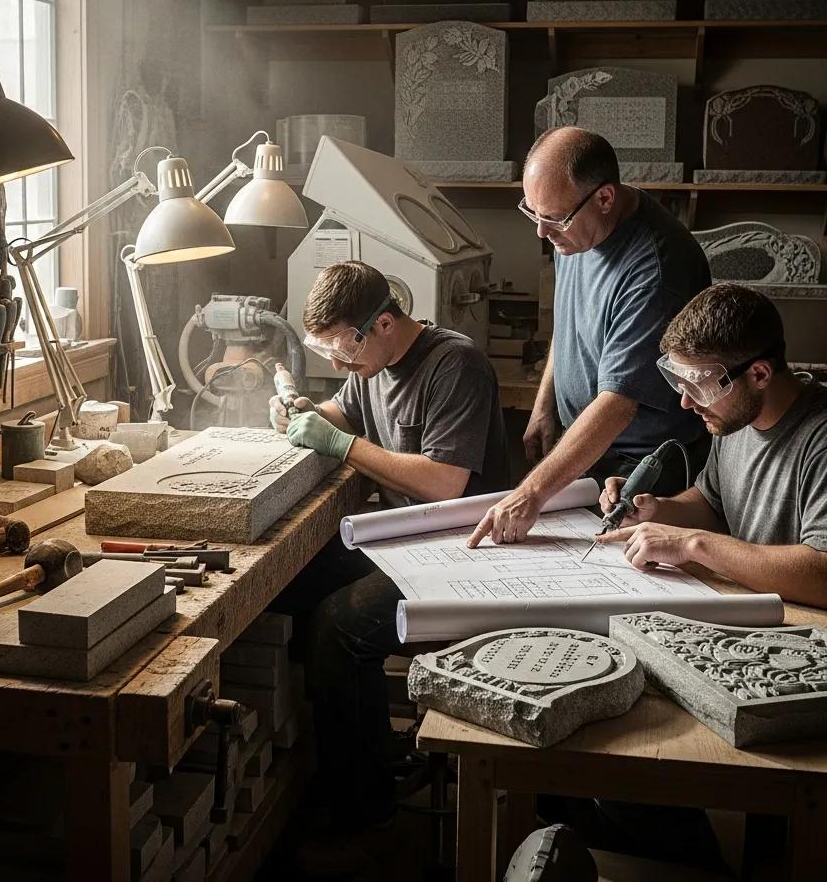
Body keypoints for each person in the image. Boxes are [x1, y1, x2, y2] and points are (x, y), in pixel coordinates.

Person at [268, 260, 508, 865]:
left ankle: (364, 805)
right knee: (288, 584)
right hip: (402, 543)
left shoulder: (456, 365)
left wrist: (340, 445)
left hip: (466, 553)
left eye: (343, 353)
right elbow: (342, 418)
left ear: (381, 323)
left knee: (340, 628)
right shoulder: (368, 365)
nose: (338, 366)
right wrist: (302, 414)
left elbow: (446, 483)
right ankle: (331, 760)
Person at [470, 126, 711, 548]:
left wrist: (530, 493)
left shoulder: (656, 269)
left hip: (641, 467)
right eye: (532, 213)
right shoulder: (573, 231)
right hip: (587, 447)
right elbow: (570, 322)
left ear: (604, 198)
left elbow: (618, 404)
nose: (541, 233)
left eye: (552, 218)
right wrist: (546, 403)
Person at [598, 283, 827, 607]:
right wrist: (658, 511)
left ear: (759, 374)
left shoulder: (819, 439)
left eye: (699, 385)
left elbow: (823, 575)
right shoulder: (734, 418)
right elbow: (712, 503)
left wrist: (693, 544)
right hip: (746, 604)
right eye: (680, 382)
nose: (686, 402)